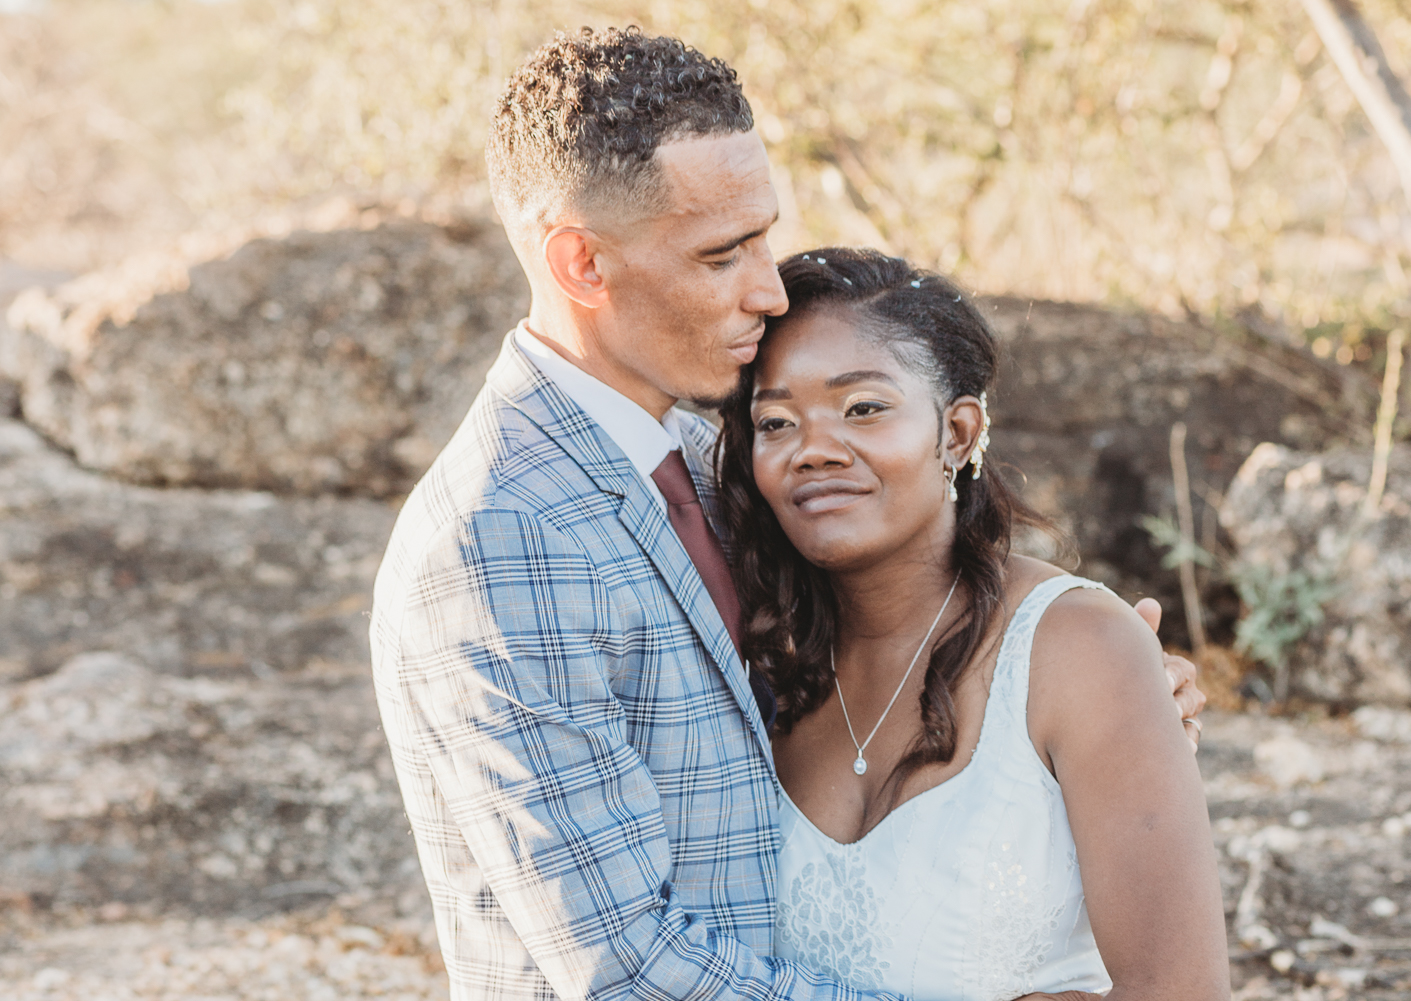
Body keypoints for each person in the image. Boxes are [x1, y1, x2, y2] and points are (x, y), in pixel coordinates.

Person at [369, 26, 1207, 1001]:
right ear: (582, 264)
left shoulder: (702, 467)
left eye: (763, 237)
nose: (768, 290)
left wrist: (1107, 695)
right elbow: (627, 969)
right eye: (722, 254)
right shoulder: (503, 536)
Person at [716, 248, 1229, 1001]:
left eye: (864, 408)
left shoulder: (1075, 646)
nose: (814, 450)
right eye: (776, 421)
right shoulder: (759, 665)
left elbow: (1181, 989)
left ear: (957, 432)